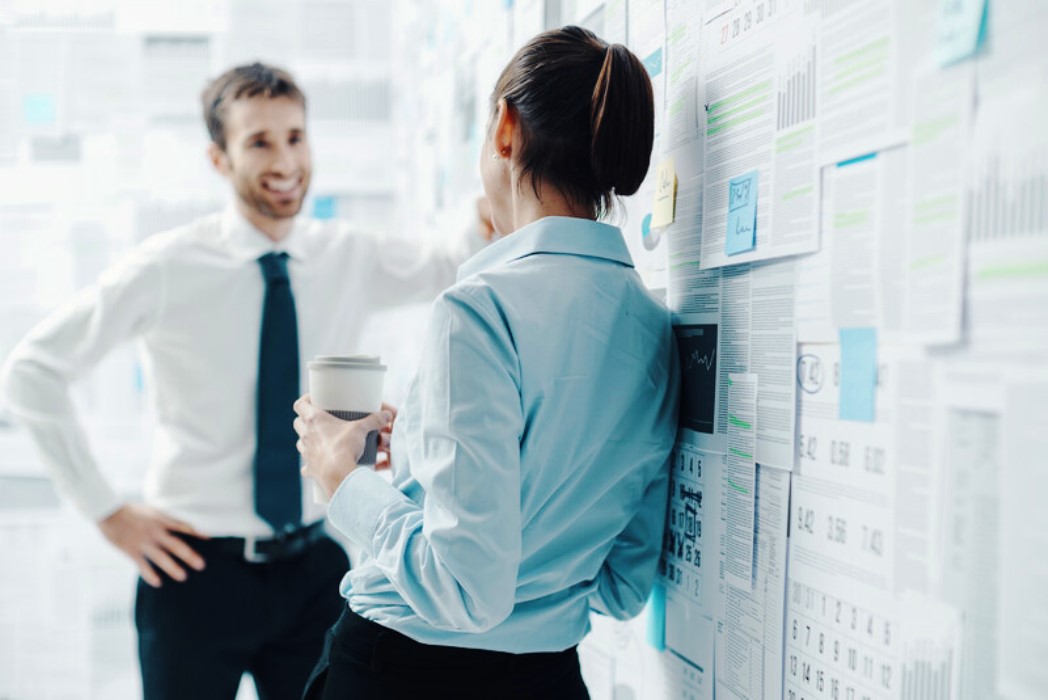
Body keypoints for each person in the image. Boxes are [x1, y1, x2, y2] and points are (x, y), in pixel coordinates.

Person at [0, 63, 488, 700]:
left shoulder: (349, 254)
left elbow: (449, 262)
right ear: (218, 157)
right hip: (194, 573)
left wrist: (496, 182)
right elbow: (32, 371)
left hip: (316, 568)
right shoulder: (166, 266)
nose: (285, 159)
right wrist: (108, 512)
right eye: (259, 141)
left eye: (295, 136)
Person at [293, 26, 680, 699]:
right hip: (549, 679)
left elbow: (464, 590)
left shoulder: (478, 311)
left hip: (402, 676)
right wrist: (418, 439)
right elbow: (620, 586)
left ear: (506, 130)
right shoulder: (654, 331)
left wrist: (341, 480)